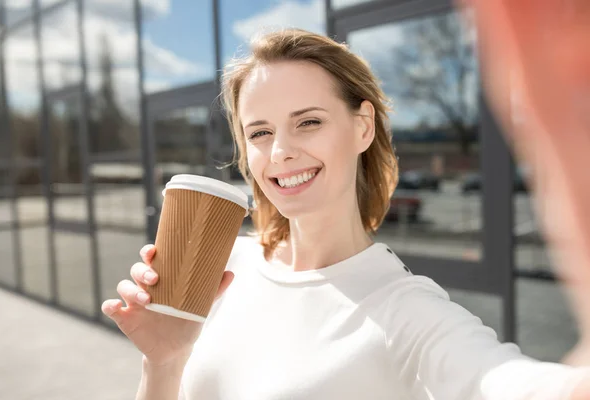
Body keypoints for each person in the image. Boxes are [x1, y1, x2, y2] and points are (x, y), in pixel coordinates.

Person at [101, 1, 590, 398]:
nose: (282, 151)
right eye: (260, 131)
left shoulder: (407, 311)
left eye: (308, 121)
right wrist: (162, 363)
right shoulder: (226, 266)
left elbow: (511, 384)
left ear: (362, 126)